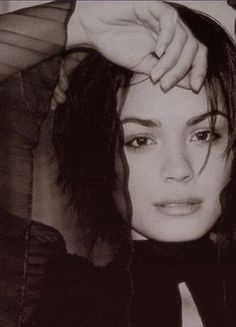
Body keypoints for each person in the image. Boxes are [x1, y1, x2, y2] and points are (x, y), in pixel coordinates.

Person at [27, 3, 236, 327]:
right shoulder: (53, 298)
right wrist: (80, 24)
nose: (179, 169)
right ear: (98, 153)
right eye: (140, 140)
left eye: (204, 134)